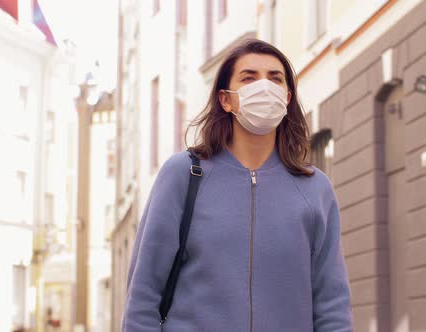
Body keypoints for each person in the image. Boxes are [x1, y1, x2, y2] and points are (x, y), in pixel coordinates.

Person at [122, 38, 352, 331]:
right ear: (225, 99)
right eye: (249, 78)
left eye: (275, 78)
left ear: (288, 98)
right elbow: (143, 293)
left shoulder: (315, 188)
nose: (264, 86)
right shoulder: (183, 174)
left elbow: (331, 302)